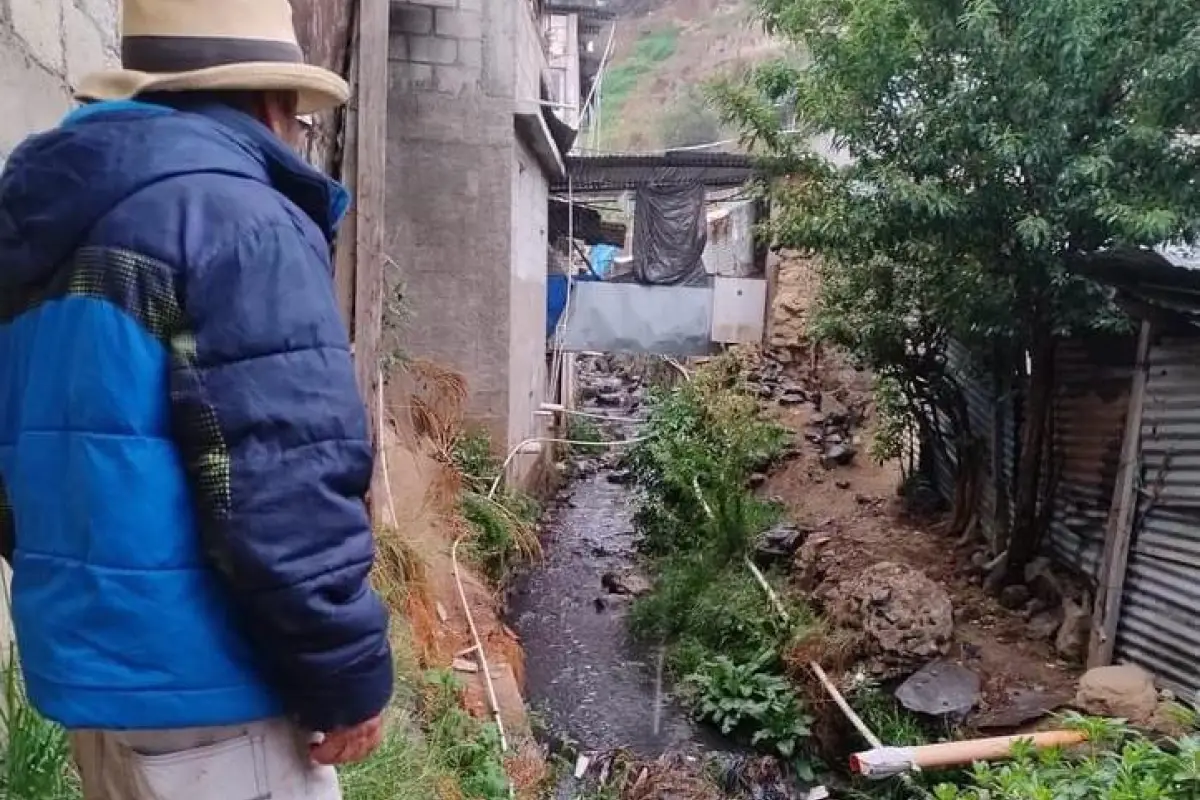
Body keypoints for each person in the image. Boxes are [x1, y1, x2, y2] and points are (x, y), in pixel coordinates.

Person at [0, 0, 393, 797]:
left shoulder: (47, 219)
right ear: (270, 103)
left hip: (97, 686)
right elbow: (281, 476)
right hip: (217, 694)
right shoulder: (241, 220)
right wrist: (346, 676)